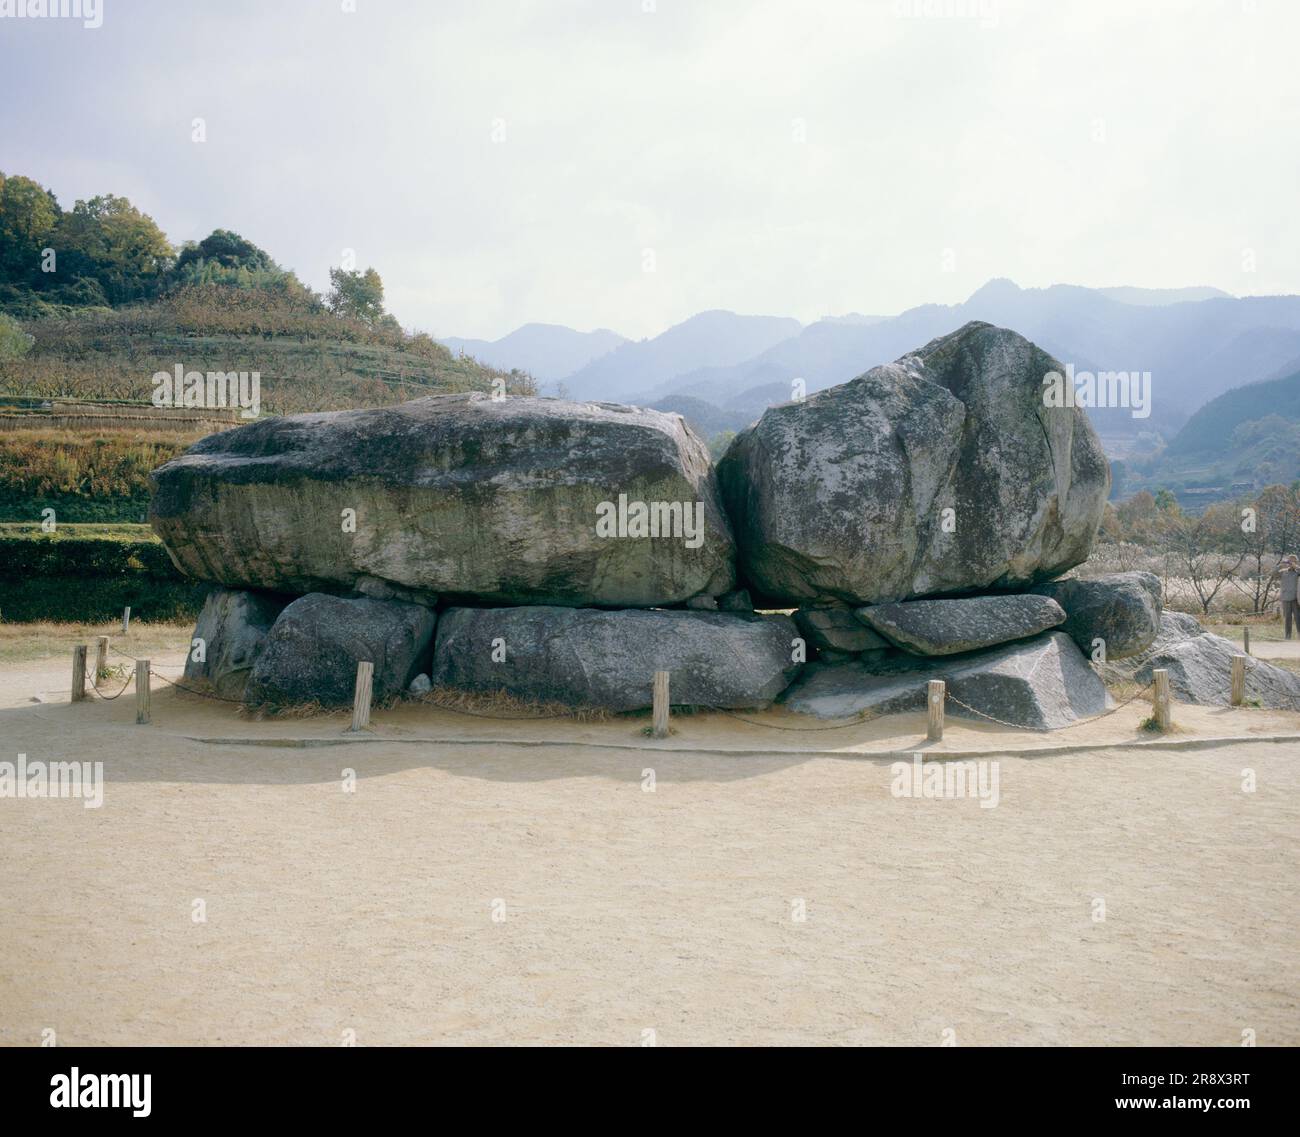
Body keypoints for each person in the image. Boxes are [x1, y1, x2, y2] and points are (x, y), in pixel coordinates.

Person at [1273, 554, 1300, 639]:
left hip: (1295, 599)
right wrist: (1279, 565)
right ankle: (1287, 636)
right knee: (1287, 618)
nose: (1290, 563)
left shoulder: (1297, 572)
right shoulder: (1283, 571)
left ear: (1296, 562)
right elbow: (1274, 574)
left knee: (1298, 618)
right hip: (1285, 598)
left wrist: (1296, 566)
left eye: (1293, 561)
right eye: (1289, 561)